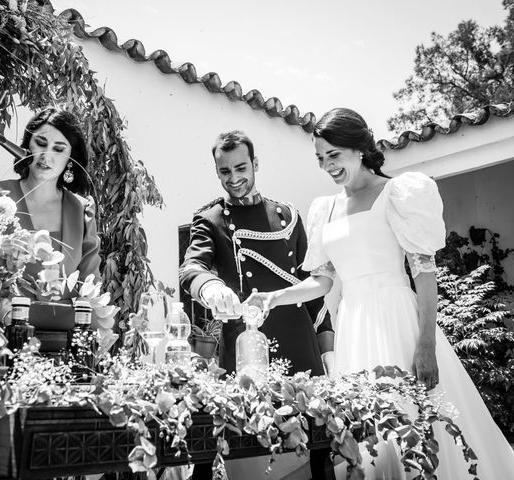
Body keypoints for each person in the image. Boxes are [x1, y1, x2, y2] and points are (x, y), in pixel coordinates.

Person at [245, 108, 514, 479]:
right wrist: (273, 297)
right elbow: (322, 282)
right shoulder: (327, 209)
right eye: (321, 158)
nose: (327, 165)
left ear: (359, 148)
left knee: (416, 426)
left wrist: (426, 345)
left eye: (333, 155)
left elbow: (424, 273)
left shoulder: (398, 194)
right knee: (370, 439)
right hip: (354, 327)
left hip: (398, 322)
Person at [179, 130, 335, 480]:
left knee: (318, 450)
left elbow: (311, 285)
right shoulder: (210, 220)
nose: (234, 178)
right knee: (243, 451)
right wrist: (211, 287)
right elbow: (191, 268)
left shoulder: (289, 216)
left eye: (241, 167)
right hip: (247, 350)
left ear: (255, 164)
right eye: (224, 171)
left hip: (300, 346)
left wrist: (328, 348)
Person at [0, 107, 101, 300]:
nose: (46, 156)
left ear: (71, 158)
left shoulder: (81, 211)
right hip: (0, 323)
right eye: (40, 143)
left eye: (59, 149)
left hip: (60, 326)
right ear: (28, 145)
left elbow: (90, 287)